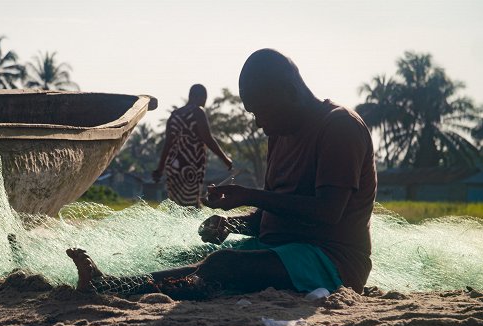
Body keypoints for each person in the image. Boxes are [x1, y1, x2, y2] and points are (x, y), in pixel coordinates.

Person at [67, 49, 376, 296]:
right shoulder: (280, 134)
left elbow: (328, 212)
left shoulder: (339, 127)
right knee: (186, 258)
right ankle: (109, 284)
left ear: (288, 93)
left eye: (259, 112)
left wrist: (250, 195)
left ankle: (134, 289)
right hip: (283, 250)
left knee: (222, 265)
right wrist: (232, 223)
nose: (257, 124)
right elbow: (272, 219)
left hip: (330, 263)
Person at [152, 84, 233, 207]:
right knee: (191, 206)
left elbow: (167, 144)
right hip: (190, 166)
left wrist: (160, 169)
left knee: (176, 207)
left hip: (173, 167)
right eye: (204, 97)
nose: (205, 102)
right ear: (199, 96)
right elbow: (208, 139)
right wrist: (225, 159)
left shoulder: (174, 115)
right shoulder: (197, 112)